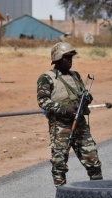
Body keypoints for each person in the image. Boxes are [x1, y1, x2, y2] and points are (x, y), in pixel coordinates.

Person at [37, 42, 103, 187]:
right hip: (60, 126)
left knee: (93, 159)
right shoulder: (46, 78)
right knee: (59, 163)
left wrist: (87, 98)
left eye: (71, 57)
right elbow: (42, 101)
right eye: (66, 57)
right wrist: (64, 110)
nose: (70, 60)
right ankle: (62, 195)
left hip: (80, 124)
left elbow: (84, 94)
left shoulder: (75, 76)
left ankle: (99, 191)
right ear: (58, 58)